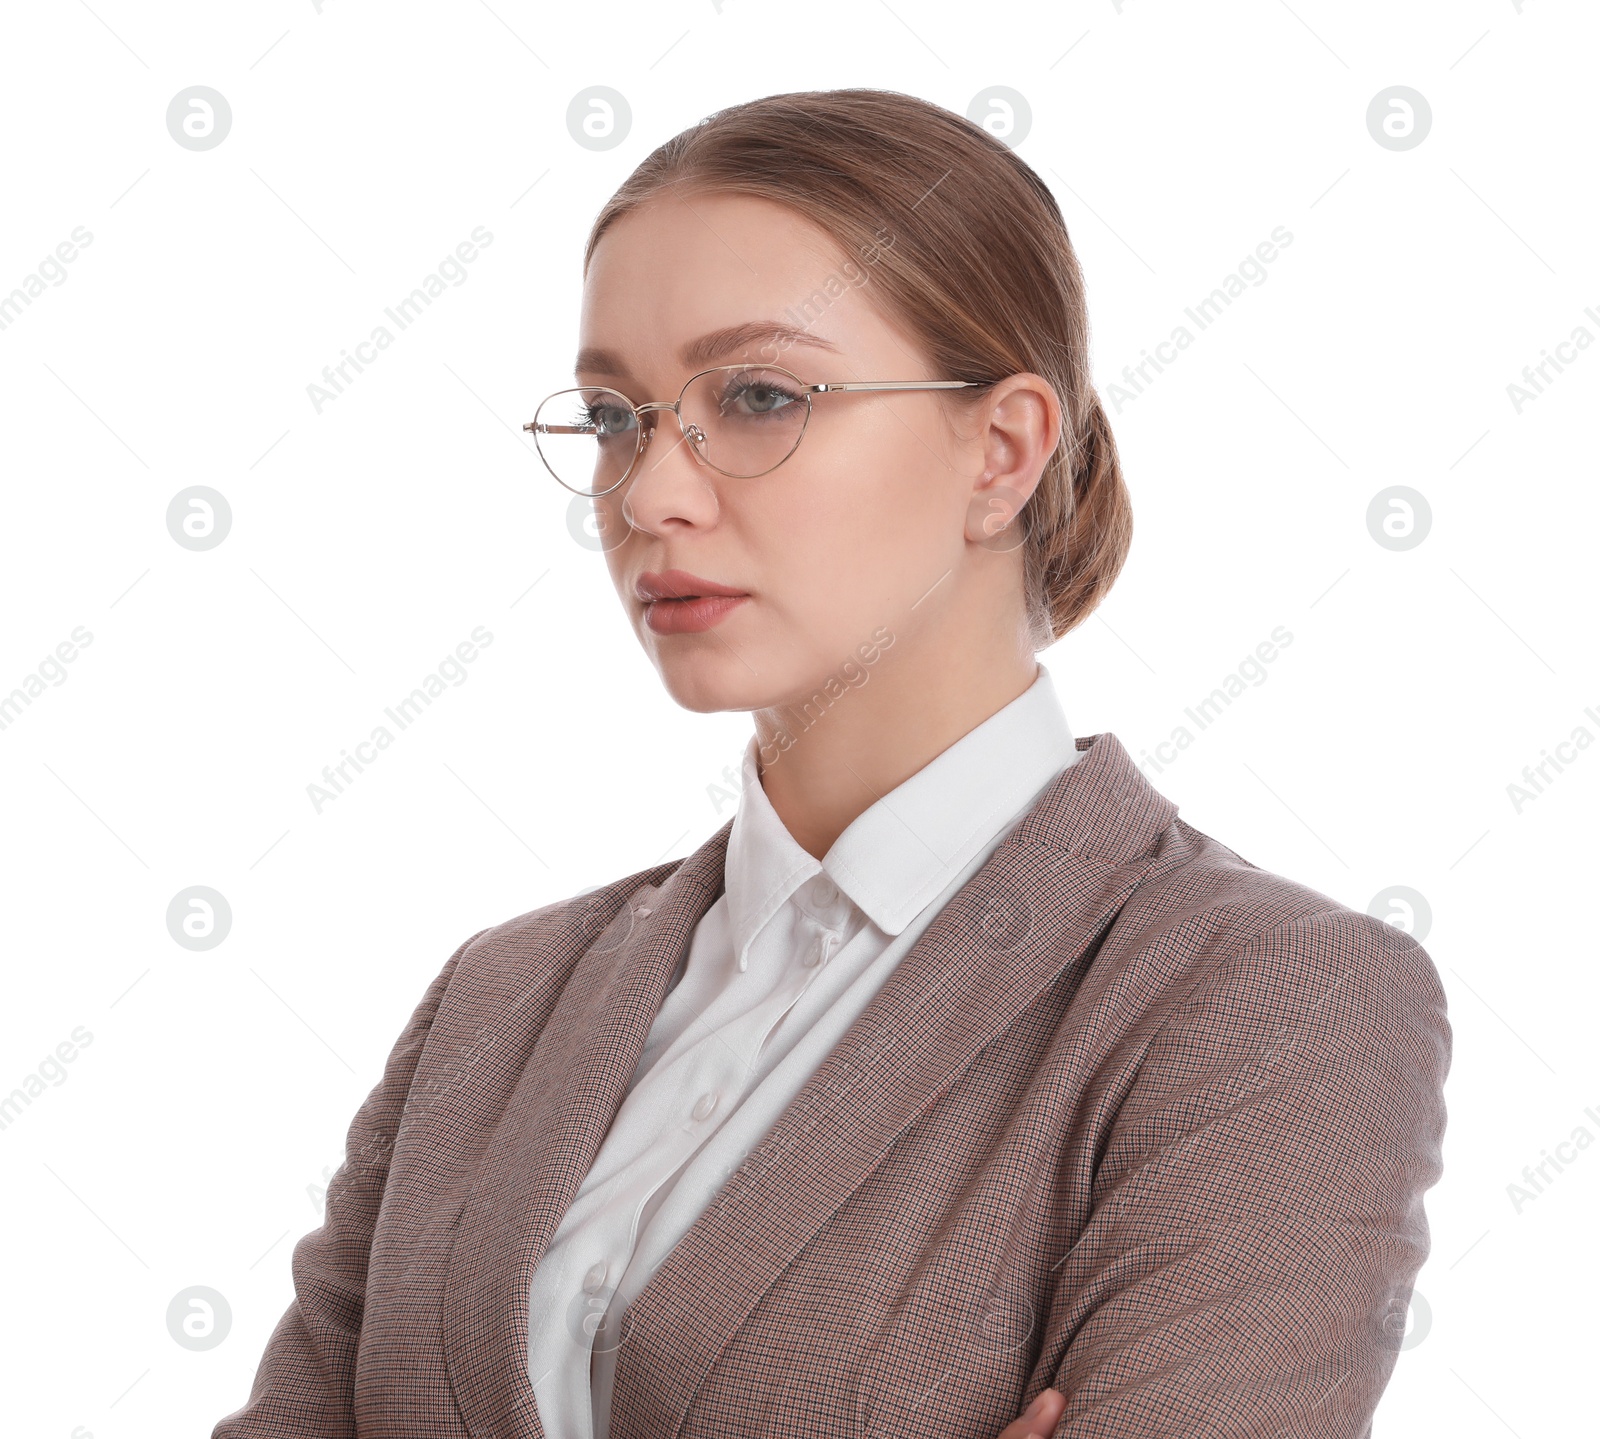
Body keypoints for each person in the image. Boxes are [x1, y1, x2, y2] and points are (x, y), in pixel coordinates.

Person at [212, 88, 1449, 1439]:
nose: (649, 495)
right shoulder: (496, 1002)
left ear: (1003, 450)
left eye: (758, 397)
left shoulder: (1269, 1000)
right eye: (616, 414)